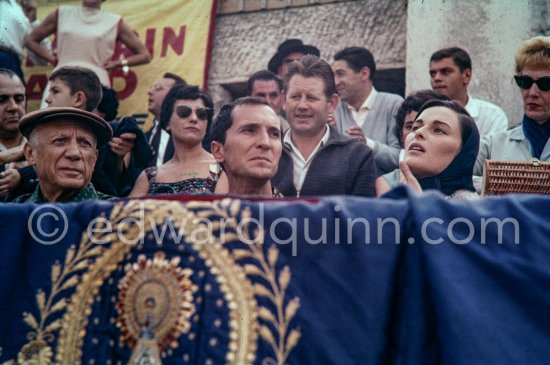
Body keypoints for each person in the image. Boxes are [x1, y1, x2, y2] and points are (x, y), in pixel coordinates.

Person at [271, 55, 377, 197]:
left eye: (312, 97)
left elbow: (362, 216)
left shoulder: (357, 156)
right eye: (295, 96)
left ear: (332, 103)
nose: (302, 105)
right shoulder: (268, 152)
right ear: (284, 100)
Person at [25, 0, 151, 100]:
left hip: (96, 82)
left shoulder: (114, 21)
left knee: (89, 129)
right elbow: (31, 40)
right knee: (51, 125)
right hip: (61, 78)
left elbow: (145, 55)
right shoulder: (62, 13)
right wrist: (52, 59)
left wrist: (118, 63)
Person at [474, 36, 550, 185]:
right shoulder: (493, 144)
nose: (532, 92)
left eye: (545, 84)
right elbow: (454, 179)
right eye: (525, 82)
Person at [130, 85, 226, 196]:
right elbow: (126, 212)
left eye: (201, 114)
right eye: (184, 112)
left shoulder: (222, 169)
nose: (194, 119)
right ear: (167, 123)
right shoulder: (149, 176)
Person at [376, 100, 480, 199]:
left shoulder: (471, 209)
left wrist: (418, 207)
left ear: (463, 151)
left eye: (438, 130)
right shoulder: (387, 186)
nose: (418, 132)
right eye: (415, 127)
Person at [15, 107, 113, 203]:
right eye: (60, 140)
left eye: (85, 143)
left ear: (94, 159)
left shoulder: (118, 215)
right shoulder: (10, 215)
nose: (74, 153)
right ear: (30, 153)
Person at [332, 46, 404, 174]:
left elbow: (401, 158)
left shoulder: (393, 104)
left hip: (384, 192)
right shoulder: (334, 108)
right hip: (344, 192)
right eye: (334, 76)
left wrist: (367, 144)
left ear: (364, 74)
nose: (335, 82)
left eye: (340, 74)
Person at [429, 47, 508, 138]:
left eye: (445, 72)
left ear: (466, 75)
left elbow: (492, 152)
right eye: (433, 74)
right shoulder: (420, 113)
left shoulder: (491, 116)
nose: (436, 78)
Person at [211, 97, 282, 197]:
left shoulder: (298, 212)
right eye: (249, 130)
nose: (266, 143)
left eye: (274, 134)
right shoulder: (198, 211)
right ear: (218, 150)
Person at [145, 72, 186, 167]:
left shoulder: (187, 136)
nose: (150, 92)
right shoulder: (144, 138)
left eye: (158, 88)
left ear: (175, 95)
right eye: (152, 87)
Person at [0, 68, 28, 197]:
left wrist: (25, 176)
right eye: (2, 99)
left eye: (19, 98)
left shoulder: (46, 142)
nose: (13, 107)